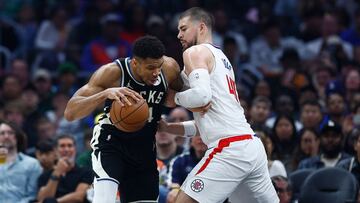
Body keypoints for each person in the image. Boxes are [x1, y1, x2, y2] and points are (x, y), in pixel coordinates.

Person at [160, 7, 278, 203]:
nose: (178, 35)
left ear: (201, 27)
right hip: (251, 146)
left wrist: (176, 99)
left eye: (183, 28)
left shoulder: (194, 52)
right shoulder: (222, 59)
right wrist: (168, 128)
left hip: (229, 149)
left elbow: (201, 98)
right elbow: (207, 123)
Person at [64, 35, 182, 203]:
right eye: (150, 68)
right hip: (111, 144)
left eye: (158, 66)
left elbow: (183, 98)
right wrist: (104, 94)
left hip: (144, 149)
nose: (156, 72)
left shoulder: (169, 68)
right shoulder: (112, 73)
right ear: (135, 63)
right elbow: (70, 113)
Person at [37, 134, 93, 203]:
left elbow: (79, 197)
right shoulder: (45, 176)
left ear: (75, 149)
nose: (66, 149)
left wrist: (55, 201)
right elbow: (42, 199)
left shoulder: (85, 172)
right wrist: (57, 173)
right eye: (62, 146)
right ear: (55, 151)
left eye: (70, 146)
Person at [0, 120, 43, 203]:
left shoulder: (32, 164)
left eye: (10, 133)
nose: (6, 136)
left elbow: (32, 195)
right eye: (2, 133)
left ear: (17, 137)